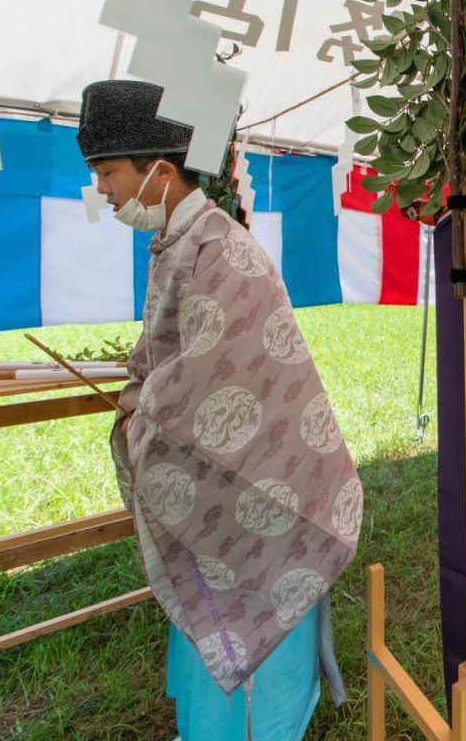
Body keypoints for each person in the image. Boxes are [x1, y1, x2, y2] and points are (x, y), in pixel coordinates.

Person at [80, 80, 361, 740]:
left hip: (268, 506)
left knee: (263, 656)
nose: (102, 188)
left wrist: (139, 408)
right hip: (236, 502)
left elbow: (206, 387)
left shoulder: (216, 248)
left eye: (108, 171)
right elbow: (169, 359)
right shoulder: (180, 242)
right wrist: (141, 387)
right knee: (215, 646)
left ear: (160, 170)